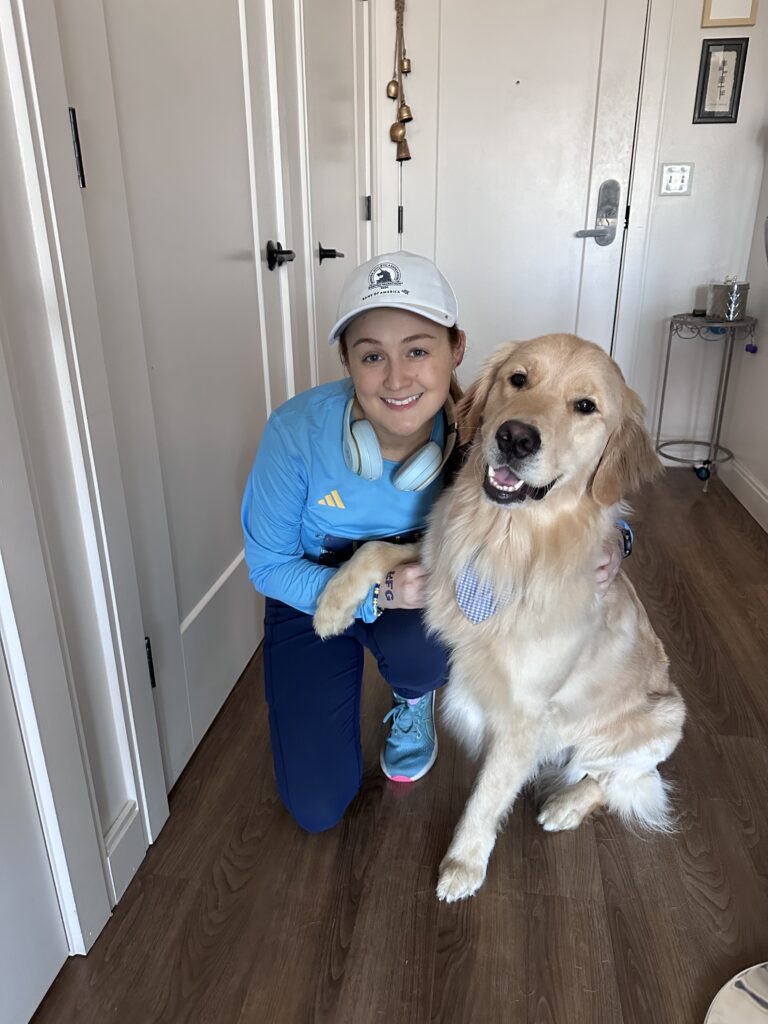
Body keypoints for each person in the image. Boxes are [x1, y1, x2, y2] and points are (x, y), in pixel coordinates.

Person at [242, 251, 624, 834]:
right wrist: (375, 591)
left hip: (420, 585)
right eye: (372, 356)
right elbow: (268, 566)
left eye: (419, 350)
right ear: (346, 360)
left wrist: (618, 538)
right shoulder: (295, 434)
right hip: (310, 585)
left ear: (457, 350)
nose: (397, 379)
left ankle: (412, 697)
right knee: (317, 807)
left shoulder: (482, 430)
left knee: (424, 647)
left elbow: (571, 490)